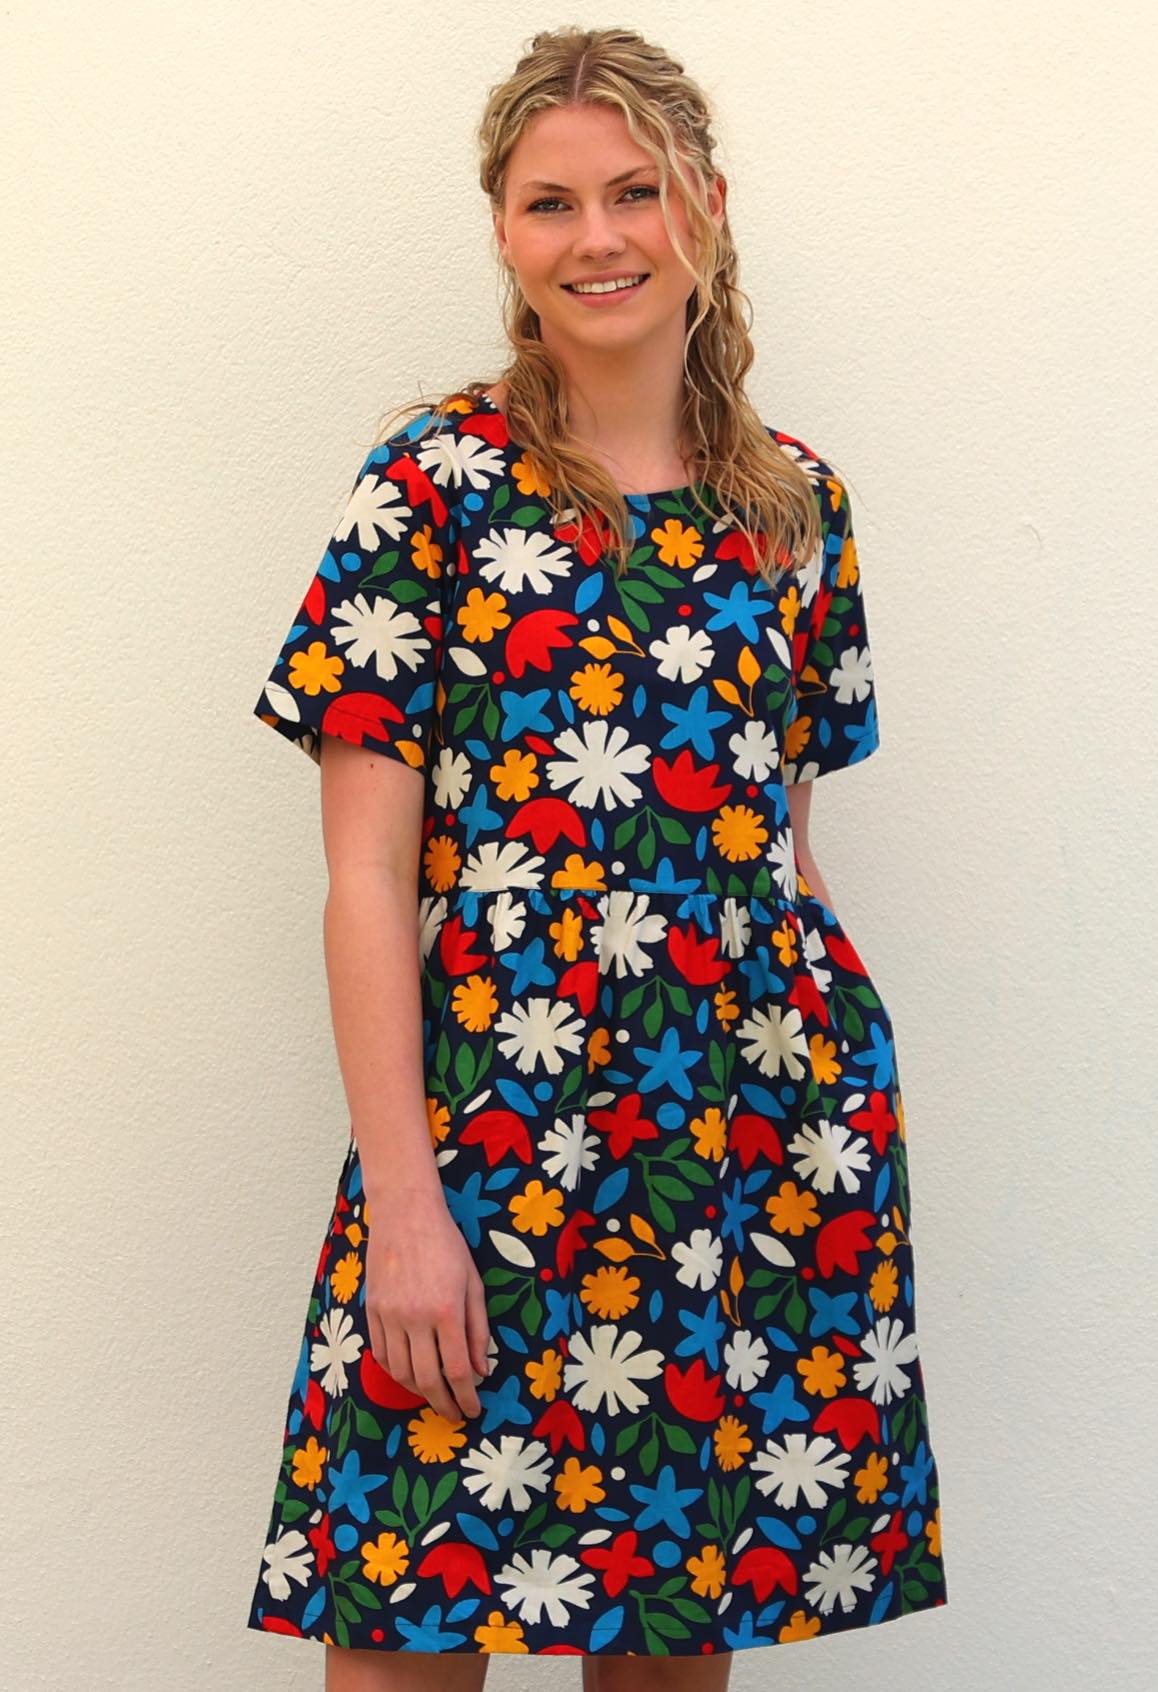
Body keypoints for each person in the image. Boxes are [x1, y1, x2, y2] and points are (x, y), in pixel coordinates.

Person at [246, 24, 949, 1691]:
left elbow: (778, 851)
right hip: (488, 1146)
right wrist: (404, 1208)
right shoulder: (431, 487)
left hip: (741, 1149)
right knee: (406, 1629)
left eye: (636, 192)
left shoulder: (798, 510)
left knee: (668, 1648)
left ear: (704, 206)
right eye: (552, 201)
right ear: (504, 231)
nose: (601, 236)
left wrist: (833, 1126)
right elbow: (363, 881)